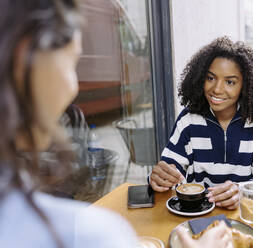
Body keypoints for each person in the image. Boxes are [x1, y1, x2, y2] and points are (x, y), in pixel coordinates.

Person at [0, 1, 230, 247]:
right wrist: (161, 177)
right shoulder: (92, 234)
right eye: (71, 63)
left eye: (230, 82)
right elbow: (169, 167)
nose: (75, 87)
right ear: (24, 60)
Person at [150, 37, 253, 209]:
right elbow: (171, 172)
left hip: (244, 216)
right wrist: (159, 178)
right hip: (198, 217)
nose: (217, 89)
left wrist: (242, 192)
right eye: (210, 78)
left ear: (246, 85)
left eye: (230, 82)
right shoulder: (188, 120)